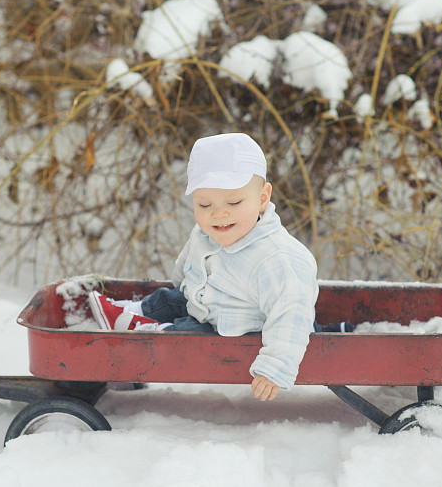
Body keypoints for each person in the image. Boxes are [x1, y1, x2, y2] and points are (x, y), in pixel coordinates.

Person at [90, 133, 352, 401]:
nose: (218, 213)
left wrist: (274, 368)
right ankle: (130, 311)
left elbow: (291, 315)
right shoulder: (208, 231)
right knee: (169, 299)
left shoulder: (276, 259)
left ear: (262, 198)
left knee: (187, 337)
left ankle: (148, 333)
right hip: (209, 305)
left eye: (234, 202)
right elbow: (189, 260)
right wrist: (182, 282)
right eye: (205, 204)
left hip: (243, 330)